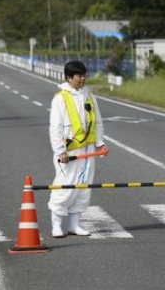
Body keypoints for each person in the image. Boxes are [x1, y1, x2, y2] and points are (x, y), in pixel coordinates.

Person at [48, 60, 106, 238]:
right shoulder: (61, 98)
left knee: (83, 187)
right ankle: (56, 225)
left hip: (88, 150)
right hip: (69, 152)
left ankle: (74, 225)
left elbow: (97, 121)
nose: (82, 79)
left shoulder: (89, 96)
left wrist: (100, 143)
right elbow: (55, 127)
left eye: (83, 75)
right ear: (69, 77)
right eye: (78, 75)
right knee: (65, 187)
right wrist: (60, 151)